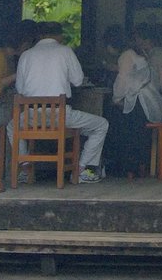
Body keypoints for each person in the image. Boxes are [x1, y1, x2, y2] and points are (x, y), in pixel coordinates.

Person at [12, 21, 109, 183]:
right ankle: (82, 169)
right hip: (60, 115)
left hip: (31, 116)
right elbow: (78, 81)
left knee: (11, 127)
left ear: (39, 36)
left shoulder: (26, 55)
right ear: (60, 36)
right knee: (101, 125)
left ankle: (24, 168)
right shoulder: (66, 51)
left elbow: (20, 89)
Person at [106, 28, 162, 179]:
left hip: (141, 102)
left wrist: (116, 98)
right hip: (153, 101)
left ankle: (127, 167)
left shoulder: (126, 56)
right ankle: (139, 165)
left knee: (117, 121)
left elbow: (122, 81)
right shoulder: (139, 54)